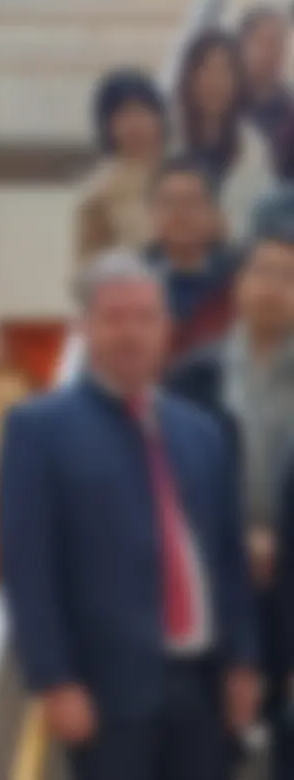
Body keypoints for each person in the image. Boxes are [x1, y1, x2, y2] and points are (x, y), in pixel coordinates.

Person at [0, 249, 260, 780]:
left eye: (145, 317)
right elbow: (28, 568)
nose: (131, 333)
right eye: (115, 318)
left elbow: (227, 557)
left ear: (166, 328)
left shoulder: (203, 432)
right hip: (106, 696)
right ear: (88, 328)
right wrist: (54, 680)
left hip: (204, 689)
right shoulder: (39, 430)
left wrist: (245, 663)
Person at [167, 191, 294, 777]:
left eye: (290, 277)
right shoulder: (193, 376)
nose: (274, 288)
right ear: (241, 280)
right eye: (265, 272)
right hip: (214, 586)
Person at [175, 30, 276, 241]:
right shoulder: (168, 137)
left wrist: (223, 227)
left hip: (232, 255)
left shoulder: (253, 146)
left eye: (224, 72)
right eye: (205, 70)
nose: (214, 81)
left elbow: (262, 217)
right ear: (189, 76)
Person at [145, 159, 236, 363]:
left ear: (214, 213)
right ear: (151, 212)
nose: (180, 213)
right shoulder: (128, 281)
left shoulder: (241, 280)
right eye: (169, 203)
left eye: (192, 202)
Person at [76, 69, 170, 265]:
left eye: (143, 111)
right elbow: (85, 268)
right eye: (124, 115)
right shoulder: (99, 192)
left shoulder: (186, 170)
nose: (135, 123)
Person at [238, 6, 294, 179]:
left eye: (279, 44)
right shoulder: (222, 104)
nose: (272, 53)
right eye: (265, 42)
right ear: (241, 45)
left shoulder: (289, 110)